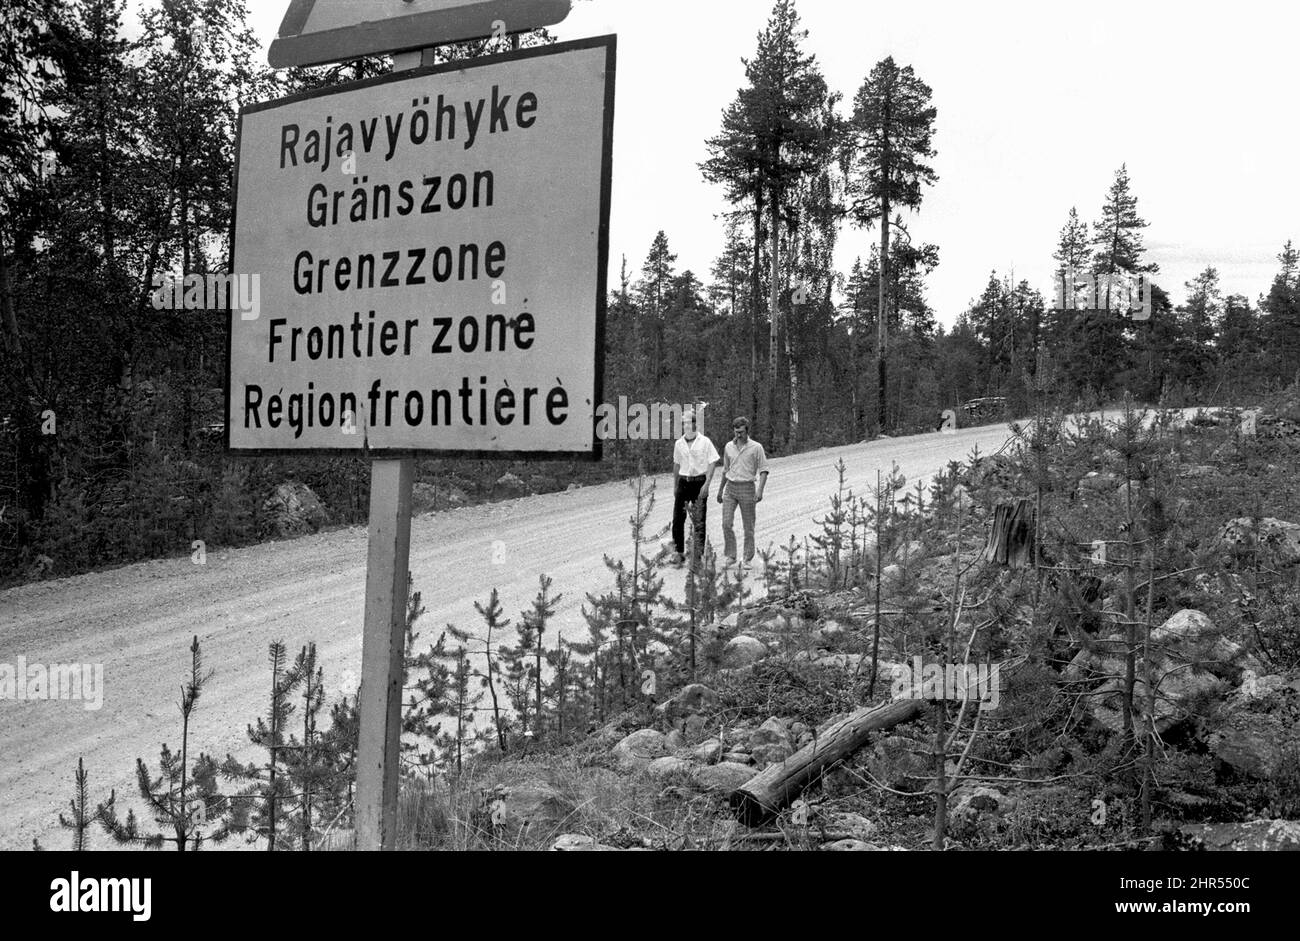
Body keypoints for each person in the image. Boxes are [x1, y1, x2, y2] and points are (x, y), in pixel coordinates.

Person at [716, 416, 769, 572]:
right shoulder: (728, 447)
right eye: (736, 431)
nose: (738, 435)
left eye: (741, 432)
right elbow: (726, 470)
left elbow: (764, 470)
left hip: (747, 487)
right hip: (730, 488)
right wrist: (720, 491)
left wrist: (760, 490)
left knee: (748, 526)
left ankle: (746, 558)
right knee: (726, 523)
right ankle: (731, 556)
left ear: (747, 431)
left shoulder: (756, 447)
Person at [670, 408, 719, 567]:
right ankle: (679, 553)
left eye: (688, 422)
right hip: (683, 483)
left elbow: (713, 461)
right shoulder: (679, 443)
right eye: (683, 423)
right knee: (678, 519)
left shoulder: (705, 441)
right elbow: (676, 465)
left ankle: (697, 556)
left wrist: (707, 483)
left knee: (699, 520)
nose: (685, 425)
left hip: (699, 483)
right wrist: (675, 485)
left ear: (695, 424)